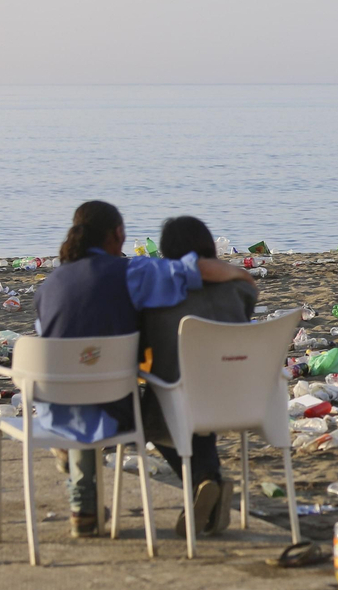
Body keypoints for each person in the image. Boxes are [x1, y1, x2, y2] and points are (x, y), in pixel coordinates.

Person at [35, 201, 255, 537]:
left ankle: (84, 504)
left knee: (88, 405)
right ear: (119, 234)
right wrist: (243, 275)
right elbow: (194, 269)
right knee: (160, 403)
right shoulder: (132, 272)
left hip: (54, 406)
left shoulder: (49, 286)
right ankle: (205, 477)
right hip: (117, 407)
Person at [139, 216, 258, 538]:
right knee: (199, 409)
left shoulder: (157, 293)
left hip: (178, 396)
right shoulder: (239, 289)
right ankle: (210, 485)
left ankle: (204, 482)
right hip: (241, 395)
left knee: (150, 418)